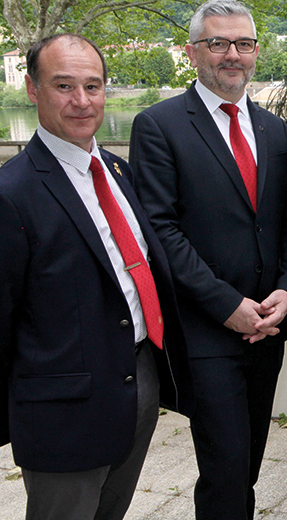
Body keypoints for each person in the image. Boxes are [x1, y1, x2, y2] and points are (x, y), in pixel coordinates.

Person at [0, 34, 192, 520]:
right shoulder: (11, 194)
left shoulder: (116, 171)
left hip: (137, 382)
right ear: (31, 88)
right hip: (62, 409)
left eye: (93, 85)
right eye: (64, 85)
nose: (81, 101)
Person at [129, 0, 287, 520]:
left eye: (244, 43)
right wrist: (229, 305)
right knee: (226, 467)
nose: (232, 54)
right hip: (206, 329)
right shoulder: (159, 126)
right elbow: (160, 231)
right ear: (192, 53)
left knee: (246, 462)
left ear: (256, 51)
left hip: (269, 327)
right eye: (218, 43)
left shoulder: (275, 130)